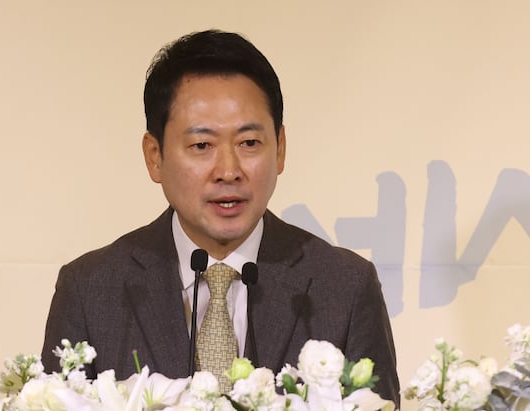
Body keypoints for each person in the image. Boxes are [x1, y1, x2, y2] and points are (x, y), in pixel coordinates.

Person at [41, 29, 400, 406]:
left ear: (280, 149)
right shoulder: (90, 289)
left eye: (249, 143)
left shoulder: (344, 287)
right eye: (202, 145)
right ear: (155, 156)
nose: (228, 171)